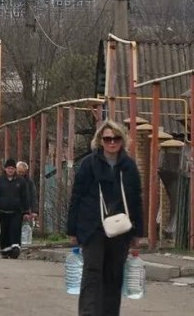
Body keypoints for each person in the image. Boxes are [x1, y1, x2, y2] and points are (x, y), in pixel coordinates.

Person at [67, 121, 143, 316]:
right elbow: (76, 196)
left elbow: (136, 199)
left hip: (120, 229)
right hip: (92, 227)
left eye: (116, 138)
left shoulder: (129, 166)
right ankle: (88, 313)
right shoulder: (88, 164)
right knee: (92, 273)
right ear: (100, 140)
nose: (111, 142)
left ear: (122, 140)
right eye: (107, 138)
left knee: (113, 275)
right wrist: (72, 230)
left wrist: (138, 232)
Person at [0, 158, 29, 258]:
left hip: (16, 211)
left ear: (15, 169)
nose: (10, 170)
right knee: (5, 231)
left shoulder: (21, 182)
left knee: (15, 229)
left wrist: (26, 212)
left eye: (12, 168)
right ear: (5, 169)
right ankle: (5, 250)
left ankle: (15, 249)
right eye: (8, 168)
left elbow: (25, 197)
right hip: (3, 211)